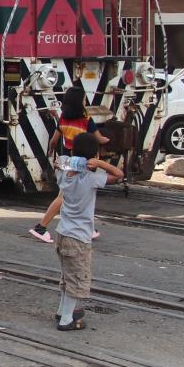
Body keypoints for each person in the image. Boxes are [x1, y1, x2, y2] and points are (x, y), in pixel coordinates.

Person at [51, 132, 123, 331]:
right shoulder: (93, 178)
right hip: (79, 237)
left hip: (62, 233)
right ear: (94, 155)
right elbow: (119, 175)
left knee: (67, 277)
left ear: (73, 150)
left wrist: (73, 161)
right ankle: (67, 320)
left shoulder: (63, 171)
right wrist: (100, 164)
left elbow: (60, 160)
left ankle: (62, 310)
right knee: (77, 279)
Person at [29, 86, 109, 243]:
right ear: (80, 102)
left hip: (66, 159)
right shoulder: (86, 121)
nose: (86, 101)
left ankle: (89, 228)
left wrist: (51, 152)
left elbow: (54, 140)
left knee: (79, 194)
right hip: (81, 163)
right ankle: (41, 226)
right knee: (66, 195)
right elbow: (100, 139)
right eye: (84, 99)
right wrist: (111, 140)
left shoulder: (63, 119)